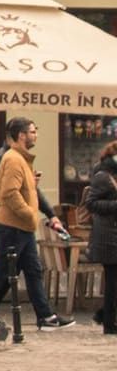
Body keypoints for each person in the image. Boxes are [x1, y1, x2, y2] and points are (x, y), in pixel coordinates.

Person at [0, 119, 72, 330]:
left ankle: (45, 317)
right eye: (33, 132)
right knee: (2, 270)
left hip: (23, 226)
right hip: (14, 225)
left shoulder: (21, 160)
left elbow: (21, 190)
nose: (36, 136)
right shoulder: (13, 159)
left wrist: (32, 188)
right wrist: (29, 214)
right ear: (22, 135)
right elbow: (7, 193)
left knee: (34, 271)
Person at [84, 138, 117, 335]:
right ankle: (108, 322)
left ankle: (104, 314)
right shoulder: (104, 176)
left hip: (112, 235)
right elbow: (91, 203)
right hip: (108, 237)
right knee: (112, 280)